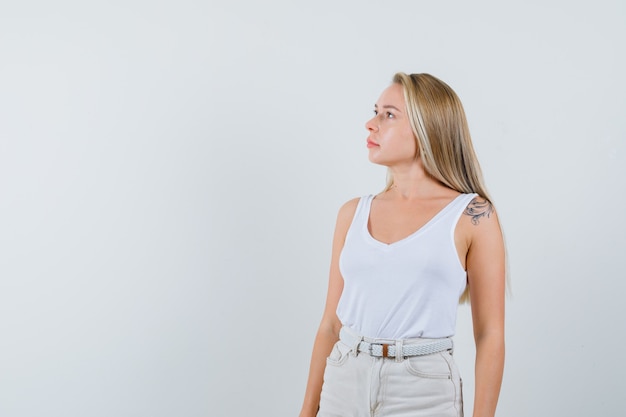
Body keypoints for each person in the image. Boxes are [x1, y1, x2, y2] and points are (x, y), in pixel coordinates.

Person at [298, 73, 505, 417]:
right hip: (344, 378)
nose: (370, 124)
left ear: (428, 129)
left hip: (422, 389)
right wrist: (306, 412)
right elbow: (330, 325)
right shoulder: (352, 213)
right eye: (375, 111)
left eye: (388, 115)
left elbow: (490, 335)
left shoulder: (472, 215)